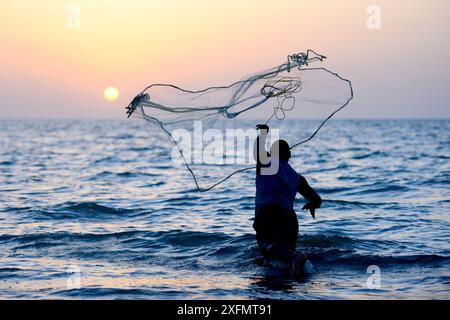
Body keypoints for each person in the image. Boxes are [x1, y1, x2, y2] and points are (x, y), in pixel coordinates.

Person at [253, 124, 322, 276]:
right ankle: (295, 263)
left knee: (267, 245)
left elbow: (258, 151)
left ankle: (295, 257)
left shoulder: (265, 163)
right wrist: (312, 204)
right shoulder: (296, 177)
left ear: (271, 153)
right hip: (290, 219)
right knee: (284, 261)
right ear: (289, 156)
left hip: (268, 214)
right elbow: (317, 199)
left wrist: (263, 134)